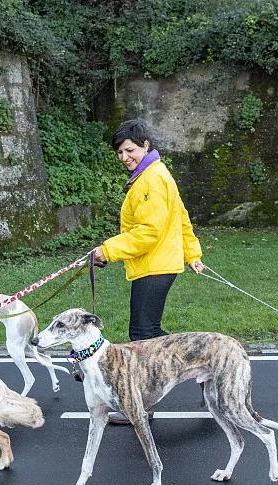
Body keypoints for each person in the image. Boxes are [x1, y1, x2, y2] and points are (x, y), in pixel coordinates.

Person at [92, 119, 204, 424]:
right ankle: (201, 364)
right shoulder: (153, 174)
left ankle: (144, 405)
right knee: (151, 335)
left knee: (142, 338)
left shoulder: (151, 180)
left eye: (129, 150)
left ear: (146, 145)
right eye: (119, 152)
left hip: (155, 266)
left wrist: (107, 250)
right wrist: (192, 254)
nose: (124, 156)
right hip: (159, 264)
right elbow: (181, 217)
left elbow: (148, 232)